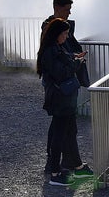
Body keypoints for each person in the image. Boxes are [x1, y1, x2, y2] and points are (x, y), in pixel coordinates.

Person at [37, 18, 94, 186]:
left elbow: (63, 61)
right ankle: (55, 172)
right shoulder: (50, 51)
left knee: (67, 132)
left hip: (63, 98)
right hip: (60, 99)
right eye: (65, 33)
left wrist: (75, 58)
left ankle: (75, 166)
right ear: (57, 34)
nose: (67, 36)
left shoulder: (55, 48)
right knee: (60, 135)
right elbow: (61, 73)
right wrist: (77, 63)